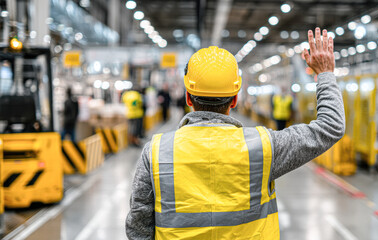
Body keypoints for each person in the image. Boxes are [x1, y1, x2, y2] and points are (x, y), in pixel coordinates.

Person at [126, 28, 345, 239]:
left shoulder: (156, 152)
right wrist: (325, 73)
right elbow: (330, 126)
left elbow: (138, 227)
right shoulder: (264, 147)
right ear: (235, 99)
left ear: (188, 98)